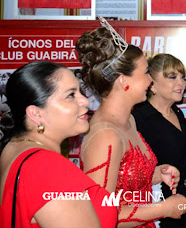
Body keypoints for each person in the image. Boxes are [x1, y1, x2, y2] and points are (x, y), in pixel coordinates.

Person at [77, 19, 186, 227]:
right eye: (145, 73)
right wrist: (164, 208)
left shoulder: (129, 120)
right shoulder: (106, 136)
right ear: (123, 81)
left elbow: (125, 180)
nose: (150, 81)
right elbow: (97, 213)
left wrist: (156, 174)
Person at [0, 62, 117, 228]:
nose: (84, 100)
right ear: (36, 113)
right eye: (70, 95)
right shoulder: (48, 167)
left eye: (80, 91)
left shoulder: (14, 147)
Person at [132, 54, 186, 228]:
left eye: (182, 77)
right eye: (172, 77)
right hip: (158, 210)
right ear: (151, 84)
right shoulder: (138, 118)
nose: (181, 83)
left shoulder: (176, 112)